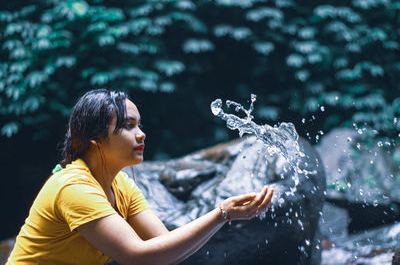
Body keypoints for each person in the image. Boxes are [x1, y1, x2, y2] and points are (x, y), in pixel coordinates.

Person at [7, 89, 274, 264]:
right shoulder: (74, 187)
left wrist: (224, 216)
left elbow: (165, 249)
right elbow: (137, 255)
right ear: (93, 140)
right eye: (127, 125)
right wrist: (221, 213)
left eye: (139, 124)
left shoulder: (120, 184)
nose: (141, 134)